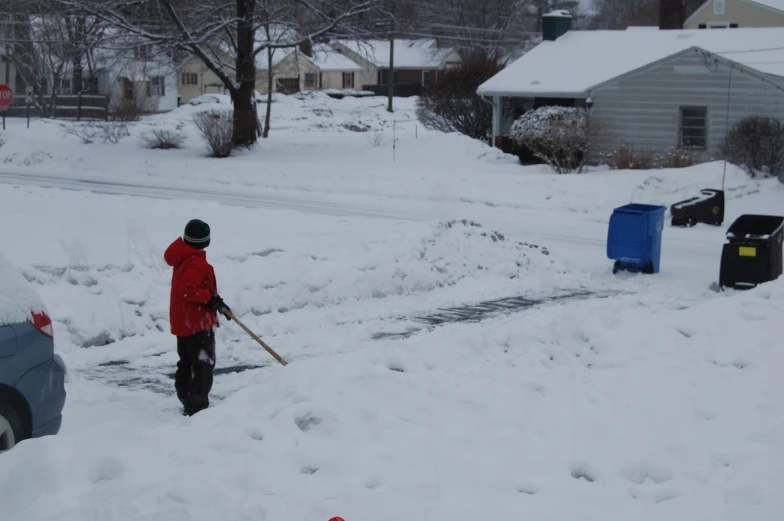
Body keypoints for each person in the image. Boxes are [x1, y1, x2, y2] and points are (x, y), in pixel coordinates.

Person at [164, 219, 230, 416]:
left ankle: (186, 396)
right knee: (202, 365)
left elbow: (191, 289)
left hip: (184, 322)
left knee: (186, 362)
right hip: (196, 324)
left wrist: (215, 301)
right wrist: (210, 299)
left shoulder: (184, 258)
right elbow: (189, 290)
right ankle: (196, 406)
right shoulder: (196, 262)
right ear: (205, 241)